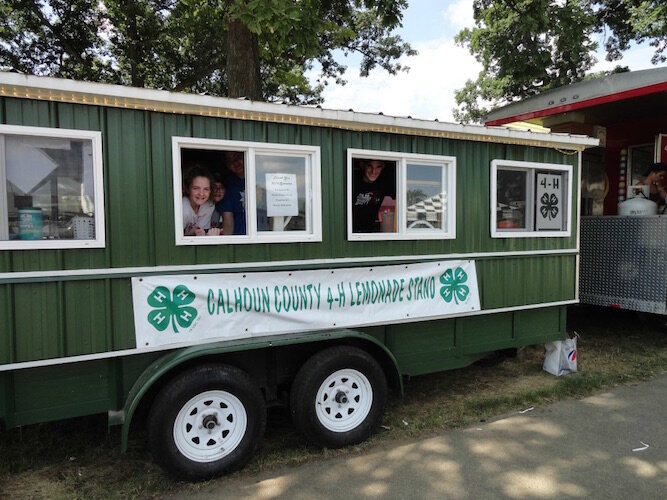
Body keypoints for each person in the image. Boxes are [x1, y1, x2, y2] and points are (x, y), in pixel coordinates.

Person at [352, 159, 395, 232]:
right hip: (350, 231)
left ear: (383, 167)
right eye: (369, 166)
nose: (373, 171)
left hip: (370, 231)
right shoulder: (352, 181)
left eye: (378, 167)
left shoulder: (383, 183)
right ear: (362, 165)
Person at [182, 165, 221, 236]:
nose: (201, 193)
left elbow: (202, 233)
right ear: (188, 189)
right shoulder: (183, 209)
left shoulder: (208, 205)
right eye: (196, 188)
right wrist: (190, 234)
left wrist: (207, 236)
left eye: (206, 189)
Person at [218, 151, 246, 235]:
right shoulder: (228, 186)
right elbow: (228, 222)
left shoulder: (261, 179)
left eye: (238, 157)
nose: (235, 162)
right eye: (230, 160)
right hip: (241, 240)